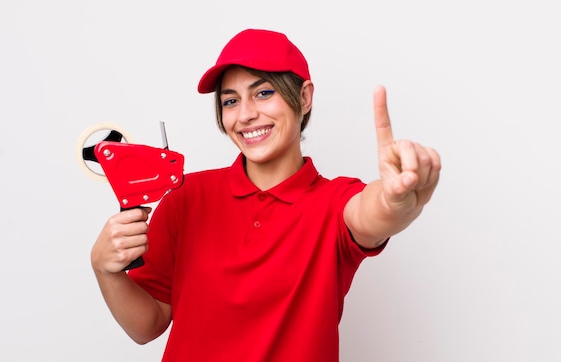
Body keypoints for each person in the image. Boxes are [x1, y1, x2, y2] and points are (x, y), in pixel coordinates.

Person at [90, 28, 441, 361]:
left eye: (264, 93)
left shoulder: (333, 203)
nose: (245, 114)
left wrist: (394, 202)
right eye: (230, 100)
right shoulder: (186, 197)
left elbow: (371, 211)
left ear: (303, 98)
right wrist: (105, 269)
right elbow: (146, 325)